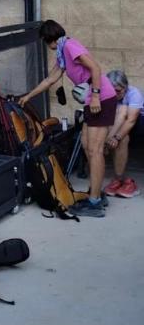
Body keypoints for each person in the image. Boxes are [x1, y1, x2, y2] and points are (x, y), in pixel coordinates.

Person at [20, 19, 117, 218]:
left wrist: (97, 95)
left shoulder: (70, 46)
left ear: (49, 39)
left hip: (102, 98)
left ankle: (95, 202)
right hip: (92, 101)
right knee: (86, 145)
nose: (47, 46)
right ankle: (96, 192)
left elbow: (96, 69)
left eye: (45, 42)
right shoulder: (63, 52)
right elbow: (51, 79)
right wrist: (28, 96)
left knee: (95, 150)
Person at [103, 70, 142, 199]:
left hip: (138, 125)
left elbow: (131, 120)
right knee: (122, 138)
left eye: (118, 91)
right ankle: (120, 179)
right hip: (117, 126)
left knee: (123, 111)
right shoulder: (106, 94)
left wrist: (116, 137)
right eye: (111, 91)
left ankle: (127, 183)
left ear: (125, 88)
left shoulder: (133, 93)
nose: (114, 94)